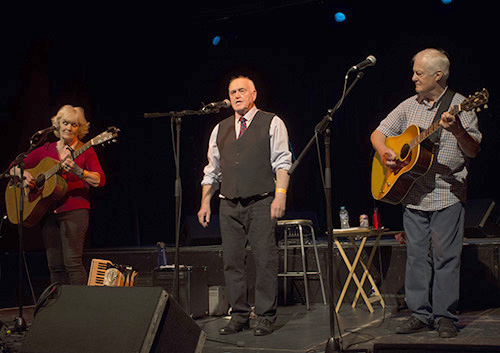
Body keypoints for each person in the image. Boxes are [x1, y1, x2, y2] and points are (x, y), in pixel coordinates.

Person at [370, 48, 481, 338]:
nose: (413, 77)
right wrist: (384, 152)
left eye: (419, 73)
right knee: (417, 257)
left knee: (446, 258)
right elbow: (379, 133)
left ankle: (445, 317)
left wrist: (457, 131)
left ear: (438, 75)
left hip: (447, 193)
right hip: (413, 195)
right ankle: (419, 314)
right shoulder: (409, 105)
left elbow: (473, 150)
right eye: (414, 72)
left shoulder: (461, 105)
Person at [197, 76, 292, 336]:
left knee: (265, 259)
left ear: (254, 94)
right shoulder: (221, 128)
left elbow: (283, 161)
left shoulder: (271, 122)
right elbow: (212, 171)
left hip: (261, 200)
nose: (237, 95)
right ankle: (239, 315)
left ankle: (264, 315)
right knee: (232, 261)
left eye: (242, 90)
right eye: (232, 91)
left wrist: (280, 195)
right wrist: (205, 202)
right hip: (228, 203)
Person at [10, 105, 106, 285]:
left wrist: (79, 171)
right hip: (48, 211)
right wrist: (24, 175)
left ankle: (79, 308)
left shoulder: (86, 150)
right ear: (57, 125)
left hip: (74, 210)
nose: (69, 128)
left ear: (80, 128)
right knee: (55, 265)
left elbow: (100, 180)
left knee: (72, 263)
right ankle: (59, 307)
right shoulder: (45, 149)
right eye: (65, 123)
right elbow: (13, 167)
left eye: (74, 125)